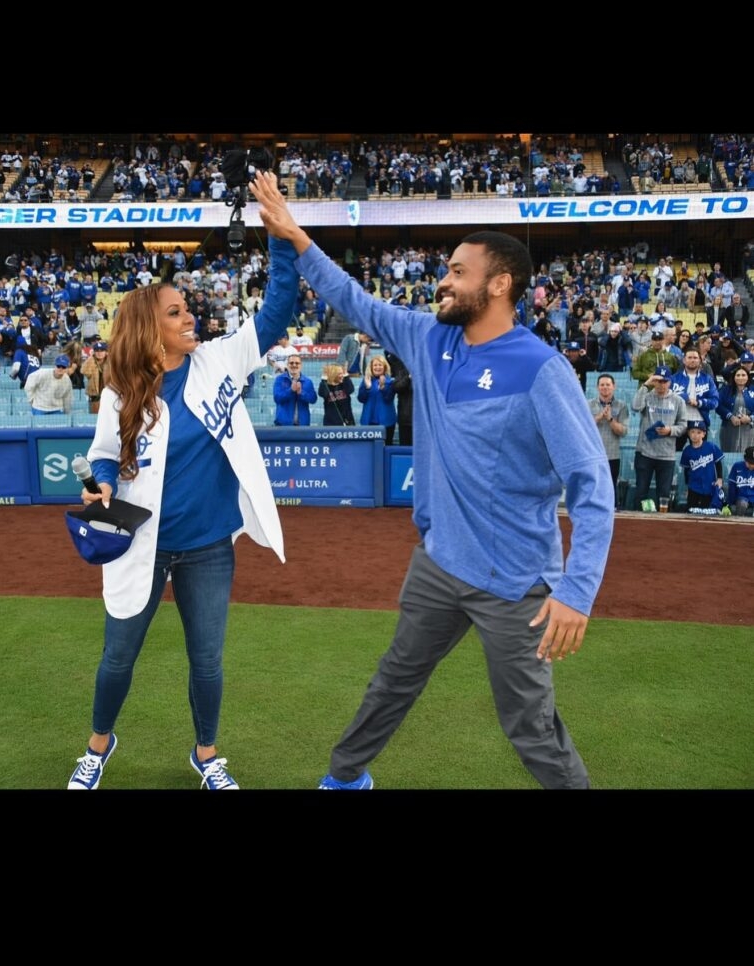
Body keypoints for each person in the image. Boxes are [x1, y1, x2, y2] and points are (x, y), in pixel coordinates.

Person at [250, 170, 614, 791]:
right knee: (394, 679)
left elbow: (591, 487)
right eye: (446, 269)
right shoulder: (429, 338)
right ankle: (344, 778)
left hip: (515, 582)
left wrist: (576, 592)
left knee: (529, 724)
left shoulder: (542, 368)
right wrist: (293, 235)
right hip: (439, 562)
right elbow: (353, 300)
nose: (443, 280)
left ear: (500, 284)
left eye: (458, 271)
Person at [66, 244, 299, 791]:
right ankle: (98, 747)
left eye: (187, 307)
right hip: (140, 542)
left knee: (208, 660)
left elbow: (276, 313)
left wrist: (280, 242)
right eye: (174, 311)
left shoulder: (220, 359)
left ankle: (207, 754)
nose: (189, 314)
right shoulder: (121, 389)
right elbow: (104, 452)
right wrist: (102, 479)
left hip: (209, 545)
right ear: (149, 328)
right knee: (118, 657)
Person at [631, 364, 689, 510]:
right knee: (641, 492)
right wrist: (645, 385)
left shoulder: (678, 401)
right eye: (658, 380)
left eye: (665, 381)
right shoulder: (647, 396)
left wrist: (670, 430)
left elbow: (683, 425)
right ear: (654, 381)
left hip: (666, 455)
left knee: (664, 494)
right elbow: (635, 407)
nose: (662, 384)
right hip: (645, 452)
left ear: (670, 382)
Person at [588, 373, 629, 508]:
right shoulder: (588, 404)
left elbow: (623, 431)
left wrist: (610, 419)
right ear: (597, 387)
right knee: (592, 486)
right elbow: (584, 427)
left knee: (610, 486)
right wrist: (599, 417)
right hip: (593, 454)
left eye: (608, 385)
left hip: (612, 455)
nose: (605, 387)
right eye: (602, 385)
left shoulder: (621, 406)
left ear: (614, 387)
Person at [679, 421, 724, 511]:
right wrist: (688, 486)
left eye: (699, 432)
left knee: (706, 512)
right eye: (692, 432)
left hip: (709, 486)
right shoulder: (687, 451)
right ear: (688, 433)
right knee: (691, 511)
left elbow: (718, 463)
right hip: (693, 487)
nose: (695, 435)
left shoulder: (711, 447)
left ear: (704, 434)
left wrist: (719, 478)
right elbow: (686, 470)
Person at [358, 354, 397, 443]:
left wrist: (383, 387)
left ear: (384, 367)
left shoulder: (390, 381)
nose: (377, 367)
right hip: (369, 421)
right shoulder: (366, 380)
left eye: (380, 365)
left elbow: (389, 399)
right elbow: (361, 399)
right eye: (375, 365)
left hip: (386, 422)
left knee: (386, 447)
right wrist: (367, 388)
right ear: (371, 367)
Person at [715, 366, 754, 453]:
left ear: (748, 377)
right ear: (734, 377)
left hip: (749, 429)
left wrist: (750, 418)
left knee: (748, 454)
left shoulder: (753, 389)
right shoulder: (725, 390)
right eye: (738, 375)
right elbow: (718, 405)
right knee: (729, 454)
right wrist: (731, 416)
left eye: (743, 375)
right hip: (729, 427)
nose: (741, 377)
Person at [272, 353, 318, 425]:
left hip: (303, 424)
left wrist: (301, 392)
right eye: (291, 363)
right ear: (287, 365)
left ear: (301, 365)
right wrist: (291, 390)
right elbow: (277, 398)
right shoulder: (280, 379)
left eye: (297, 363)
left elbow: (313, 399)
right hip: (283, 425)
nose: (294, 365)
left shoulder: (308, 381)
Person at [386, 350, 413, 445]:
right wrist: (409, 378)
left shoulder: (426, 372)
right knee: (405, 449)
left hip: (423, 419)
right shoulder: (402, 370)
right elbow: (396, 387)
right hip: (405, 418)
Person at [81, 340, 110, 413]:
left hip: (108, 394)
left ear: (106, 352)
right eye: (97, 351)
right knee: (94, 418)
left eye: (102, 351)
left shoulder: (111, 362)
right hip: (94, 395)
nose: (99, 353)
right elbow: (84, 371)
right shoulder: (91, 361)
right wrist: (91, 358)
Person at [726, 445, 754, 516]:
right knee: (742, 504)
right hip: (741, 498)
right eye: (750, 463)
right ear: (745, 459)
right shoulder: (737, 466)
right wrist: (729, 503)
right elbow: (732, 487)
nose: (752, 465)